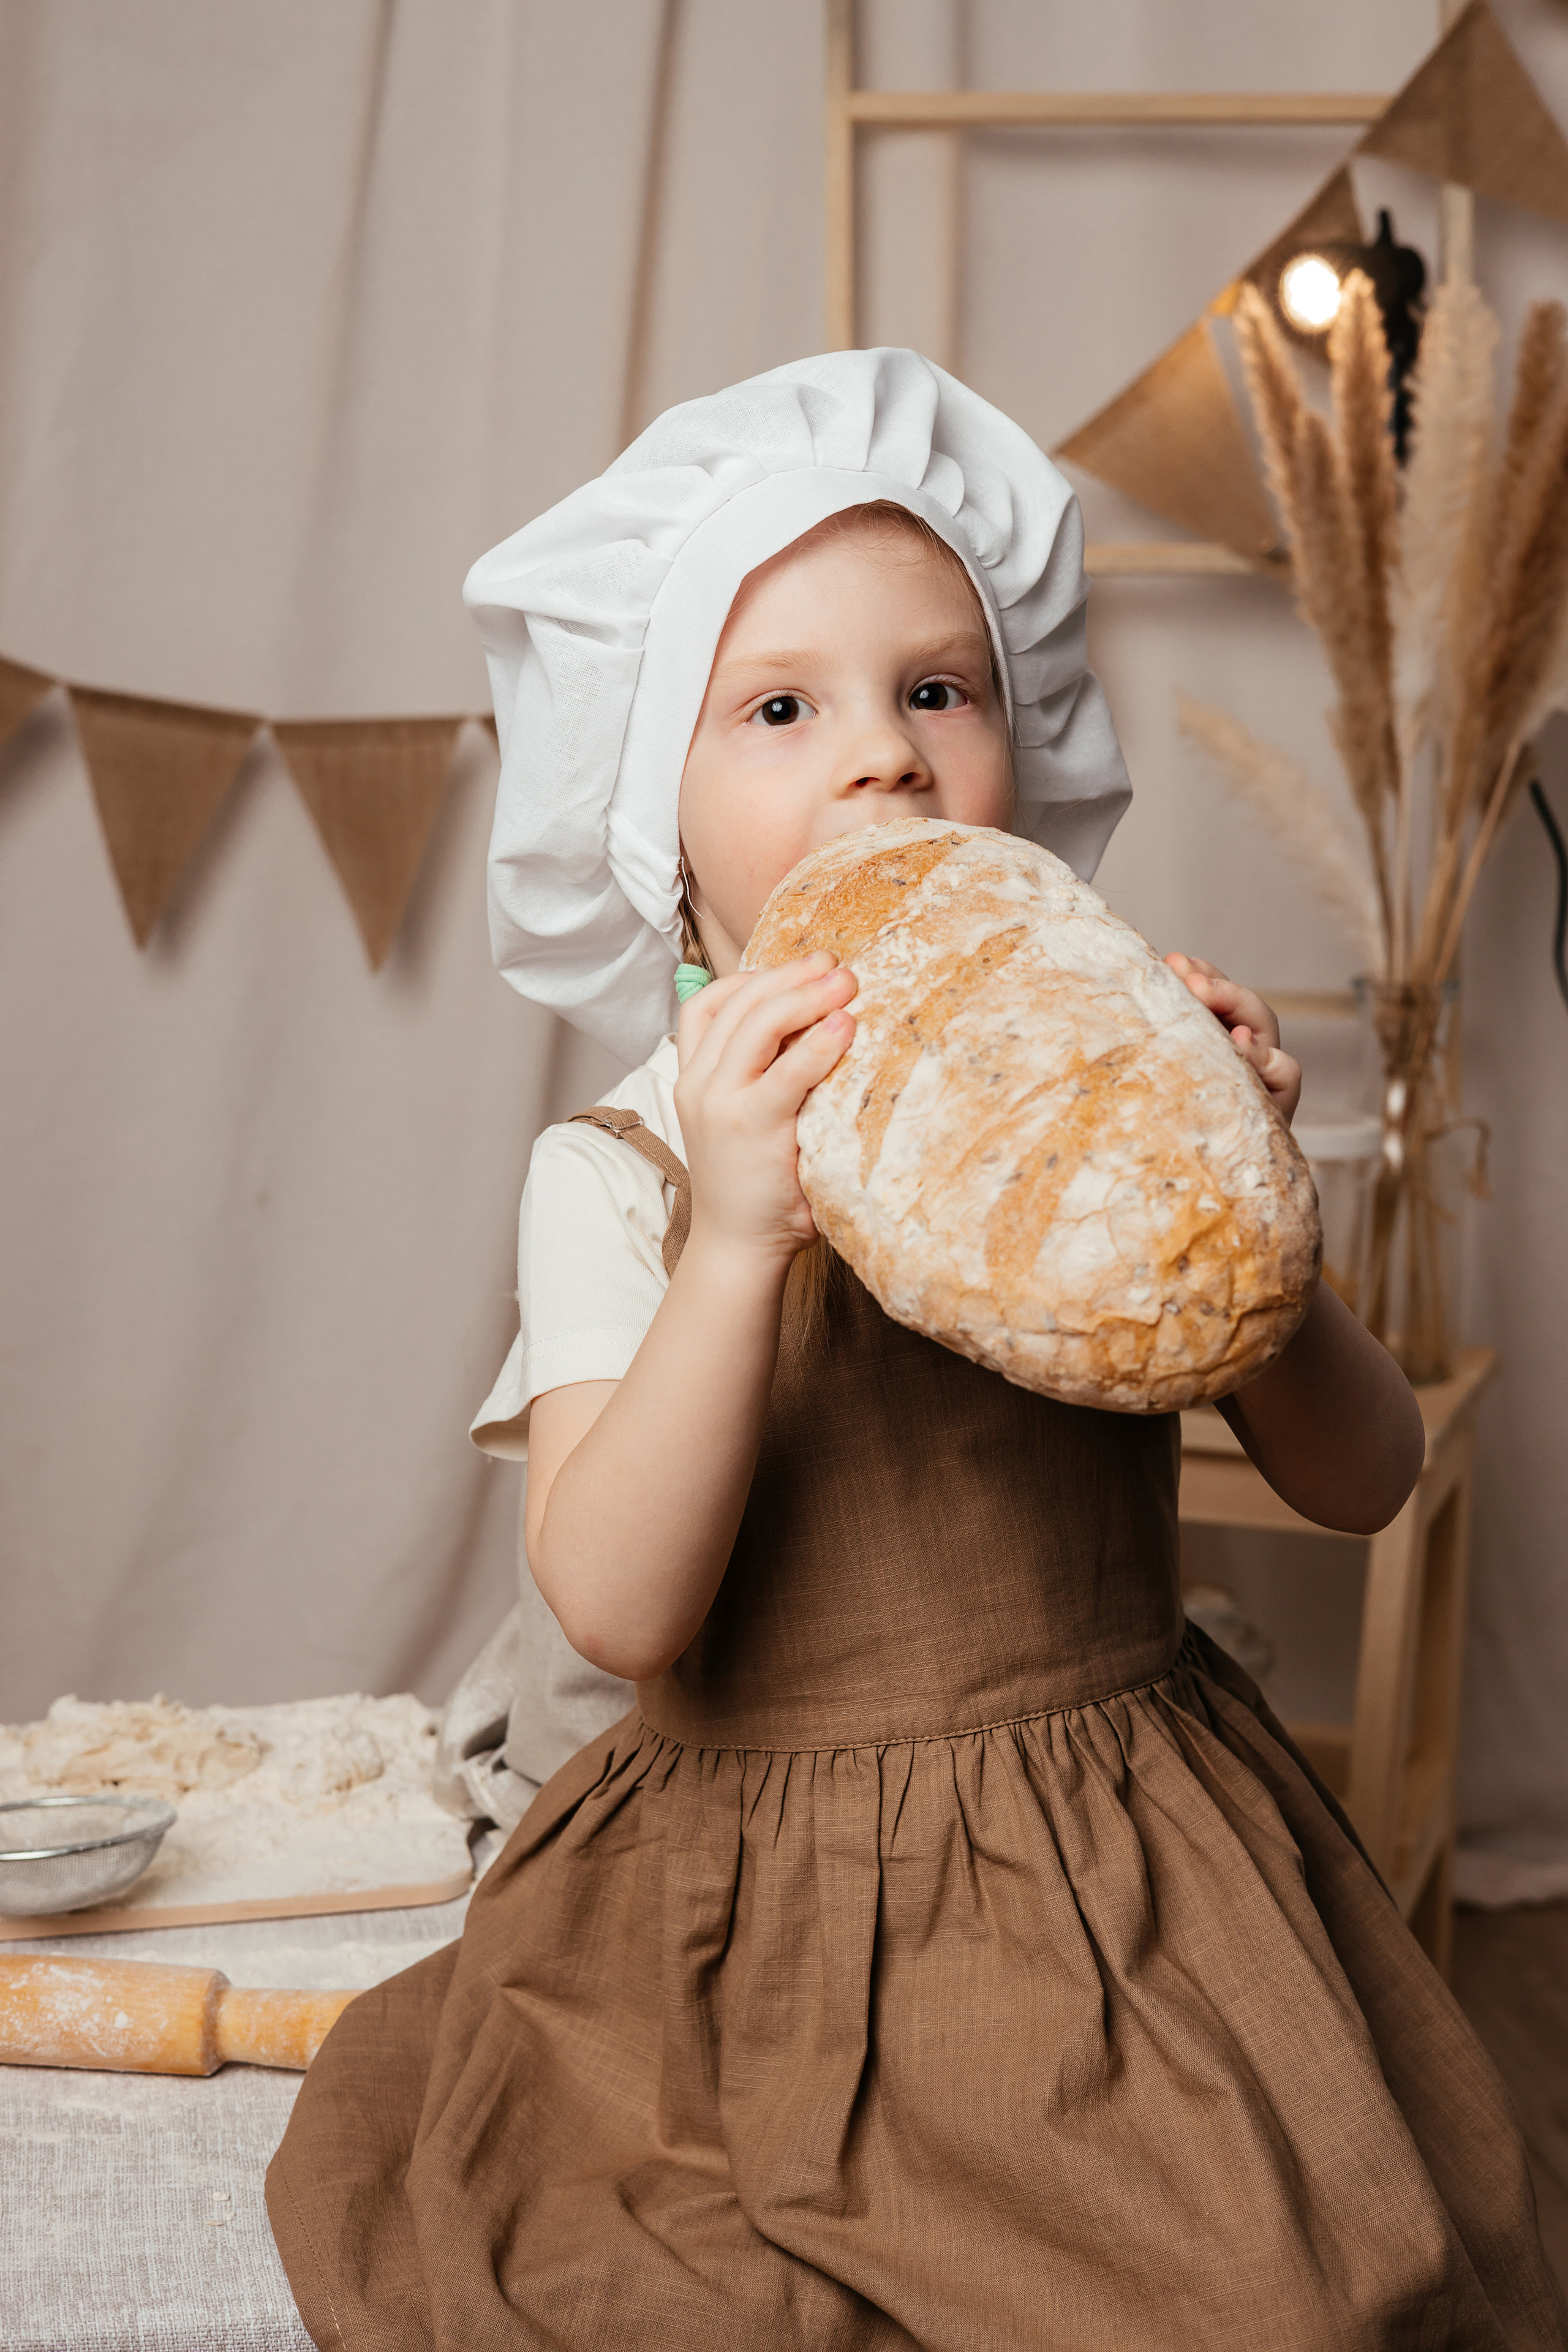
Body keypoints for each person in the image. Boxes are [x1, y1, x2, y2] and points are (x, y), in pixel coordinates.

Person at [268, 350, 1566, 2351]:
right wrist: (741, 1239)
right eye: (780, 708)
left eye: (937, 690)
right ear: (657, 836)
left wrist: (1258, 1219)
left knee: (1284, 2289)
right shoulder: (623, 1166)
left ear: (1024, 761)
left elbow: (1366, 1476)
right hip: (756, 1888)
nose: (881, 756)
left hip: (1125, 1856)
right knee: (673, 2285)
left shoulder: (1112, 1111)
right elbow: (615, 1604)